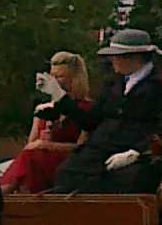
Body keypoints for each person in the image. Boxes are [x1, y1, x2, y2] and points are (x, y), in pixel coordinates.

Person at [48, 29, 162, 194]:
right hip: (101, 149)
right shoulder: (112, 83)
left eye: (116, 56)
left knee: (128, 181)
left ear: (133, 58)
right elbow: (91, 120)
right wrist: (61, 99)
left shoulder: (157, 84)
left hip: (138, 153)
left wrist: (136, 152)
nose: (112, 61)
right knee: (67, 174)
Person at [1, 51, 91, 193]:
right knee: (30, 158)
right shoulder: (43, 109)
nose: (54, 81)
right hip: (39, 160)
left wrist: (50, 145)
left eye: (60, 77)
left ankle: (3, 193)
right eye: (52, 76)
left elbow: (83, 147)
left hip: (68, 161)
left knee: (30, 160)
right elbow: (31, 144)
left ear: (74, 78)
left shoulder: (86, 110)